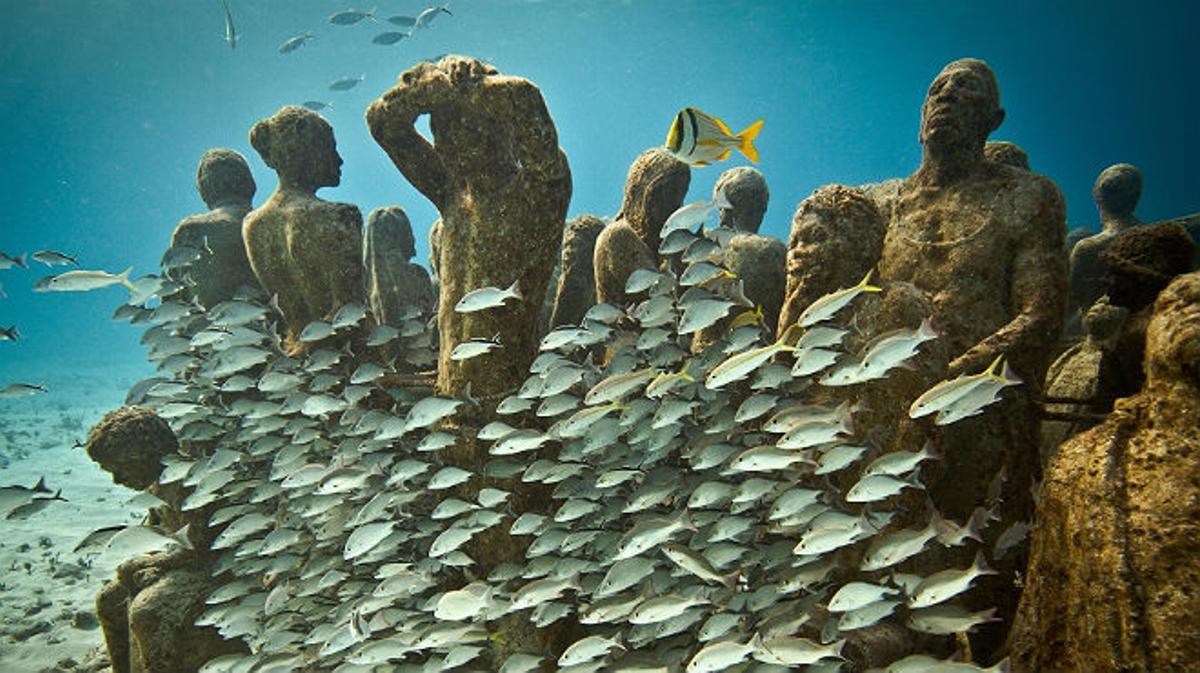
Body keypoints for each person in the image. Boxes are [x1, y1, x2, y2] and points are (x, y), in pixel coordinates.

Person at [242, 106, 364, 349]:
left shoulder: (252, 224)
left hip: (296, 359)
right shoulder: (339, 216)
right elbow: (352, 310)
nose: (339, 160)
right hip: (348, 357)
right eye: (331, 148)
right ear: (308, 151)